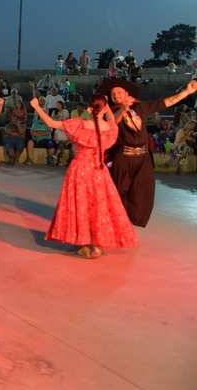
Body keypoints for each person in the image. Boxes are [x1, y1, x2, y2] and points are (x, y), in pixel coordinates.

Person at [30, 94, 137, 259]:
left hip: (80, 170)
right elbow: (112, 120)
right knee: (99, 207)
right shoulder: (109, 128)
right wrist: (109, 107)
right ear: (105, 108)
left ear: (88, 108)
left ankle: (85, 242)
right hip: (99, 171)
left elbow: (51, 123)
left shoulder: (79, 125)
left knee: (81, 205)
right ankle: (96, 244)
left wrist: (37, 107)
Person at [102, 78, 197, 226]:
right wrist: (123, 109)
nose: (116, 95)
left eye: (119, 92)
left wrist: (187, 91)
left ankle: (128, 223)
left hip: (143, 159)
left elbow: (165, 102)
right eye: (113, 94)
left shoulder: (140, 107)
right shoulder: (110, 111)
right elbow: (111, 124)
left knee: (142, 193)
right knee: (117, 193)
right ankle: (115, 224)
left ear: (127, 93)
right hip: (123, 158)